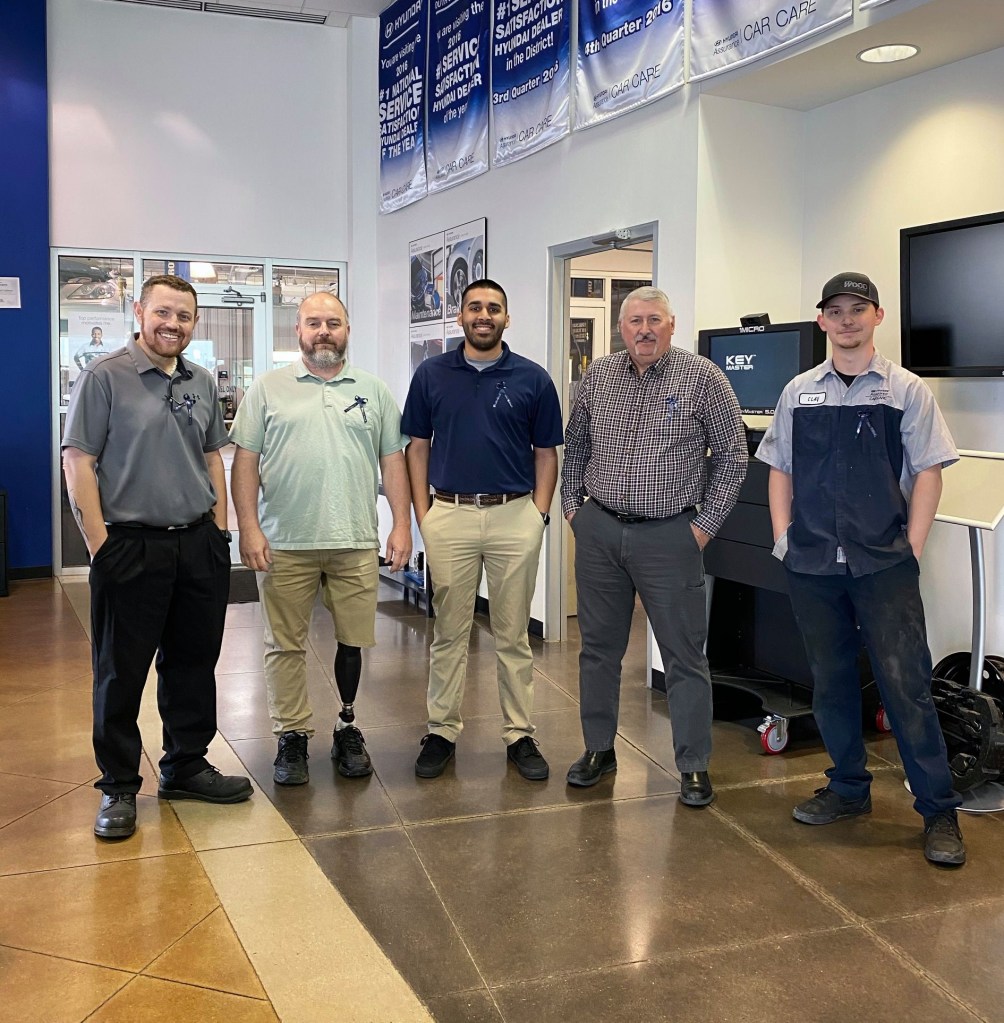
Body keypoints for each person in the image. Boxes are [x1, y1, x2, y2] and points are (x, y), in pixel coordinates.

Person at [757, 271, 965, 866]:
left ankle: (939, 810)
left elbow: (928, 471)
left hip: (883, 565)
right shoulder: (799, 392)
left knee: (906, 686)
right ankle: (848, 788)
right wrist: (784, 538)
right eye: (836, 311)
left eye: (858, 309)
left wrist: (911, 548)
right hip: (813, 564)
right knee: (831, 682)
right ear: (821, 319)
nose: (846, 320)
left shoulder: (905, 390)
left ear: (877, 316)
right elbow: (780, 467)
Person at [62, 274, 252, 841]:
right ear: (140, 312)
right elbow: (78, 461)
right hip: (130, 545)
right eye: (163, 313)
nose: (173, 324)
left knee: (193, 662)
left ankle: (186, 765)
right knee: (120, 671)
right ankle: (119, 785)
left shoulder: (199, 380)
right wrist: (100, 546)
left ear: (195, 323)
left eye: (184, 316)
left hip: (196, 545)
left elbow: (212, 456)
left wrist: (219, 532)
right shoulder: (105, 377)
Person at [561, 286, 747, 805]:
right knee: (598, 650)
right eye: (635, 321)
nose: (644, 330)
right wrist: (575, 511)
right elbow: (575, 446)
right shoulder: (598, 376)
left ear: (671, 325)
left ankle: (693, 764)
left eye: (654, 320)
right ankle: (599, 749)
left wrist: (703, 527)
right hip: (600, 530)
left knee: (683, 655)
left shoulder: (703, 377)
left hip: (671, 535)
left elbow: (734, 455)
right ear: (622, 328)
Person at [230, 292, 412, 785]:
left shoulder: (373, 390)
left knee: (353, 641)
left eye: (333, 322)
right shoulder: (267, 389)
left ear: (348, 330)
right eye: (314, 323)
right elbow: (245, 462)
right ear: (298, 331)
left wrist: (401, 524)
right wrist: (248, 527)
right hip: (284, 542)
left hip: (354, 540)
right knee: (283, 644)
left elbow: (392, 461)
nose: (324, 331)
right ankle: (291, 734)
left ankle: (347, 726)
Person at [401, 279, 563, 780]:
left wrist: (537, 516)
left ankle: (519, 734)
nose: (484, 315)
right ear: (461, 317)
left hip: (515, 515)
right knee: (449, 632)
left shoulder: (533, 379)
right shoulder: (432, 375)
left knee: (513, 635)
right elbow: (417, 448)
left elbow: (546, 455)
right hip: (449, 514)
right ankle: (441, 731)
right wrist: (424, 515)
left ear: (506, 318)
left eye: (493, 308)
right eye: (474, 307)